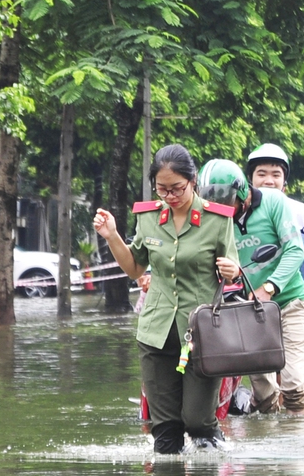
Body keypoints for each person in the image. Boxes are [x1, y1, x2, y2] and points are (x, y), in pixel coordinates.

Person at [93, 145, 241, 453]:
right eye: (162, 190)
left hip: (201, 335)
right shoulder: (148, 218)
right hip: (156, 331)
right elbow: (135, 267)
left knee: (198, 420)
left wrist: (232, 270)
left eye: (177, 188)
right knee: (165, 432)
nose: (170, 196)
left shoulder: (217, 219)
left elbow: (232, 271)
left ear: (193, 180)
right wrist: (111, 236)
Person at [198, 160, 304, 411]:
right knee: (265, 396)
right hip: (247, 311)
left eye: (227, 203)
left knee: (293, 386)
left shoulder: (274, 202)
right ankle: (266, 442)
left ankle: (301, 443)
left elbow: (295, 250)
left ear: (241, 193)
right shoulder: (215, 218)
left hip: (289, 301)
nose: (221, 211)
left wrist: (269, 288)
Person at [244, 143, 304, 405]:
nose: (269, 180)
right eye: (261, 173)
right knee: (268, 389)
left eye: (276, 174)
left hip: (303, 302)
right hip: (258, 307)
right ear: (249, 180)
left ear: (285, 182)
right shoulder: (240, 215)